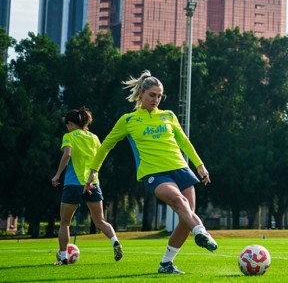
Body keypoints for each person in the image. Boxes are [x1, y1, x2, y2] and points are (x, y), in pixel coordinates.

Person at [86, 71, 217, 275]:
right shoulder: (128, 120)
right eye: (152, 95)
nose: (156, 99)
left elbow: (184, 141)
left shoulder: (169, 116)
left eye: (159, 95)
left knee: (186, 218)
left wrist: (199, 165)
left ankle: (166, 263)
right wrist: (93, 171)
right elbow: (105, 147)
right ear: (141, 94)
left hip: (181, 169)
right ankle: (201, 232)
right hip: (155, 173)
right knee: (179, 202)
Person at [51, 107, 124, 264]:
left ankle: (63, 258)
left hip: (73, 184)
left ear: (70, 124)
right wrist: (92, 175)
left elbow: (67, 154)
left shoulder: (69, 136)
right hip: (93, 183)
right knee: (100, 221)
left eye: (67, 125)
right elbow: (101, 157)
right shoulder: (94, 137)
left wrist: (57, 175)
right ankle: (115, 242)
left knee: (65, 223)